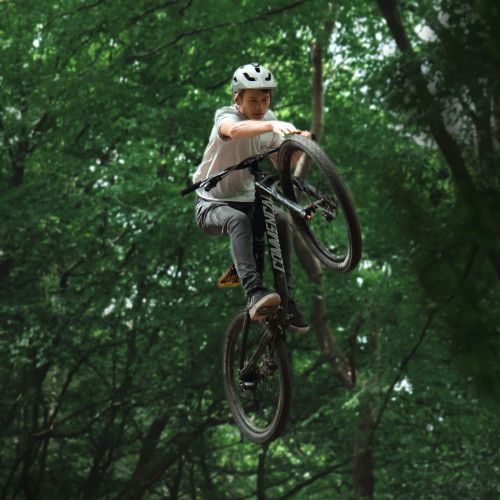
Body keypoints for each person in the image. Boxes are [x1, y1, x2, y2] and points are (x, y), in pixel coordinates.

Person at [193, 62, 310, 333]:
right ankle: (254, 291)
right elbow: (233, 132)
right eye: (253, 100)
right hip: (212, 205)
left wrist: (301, 145)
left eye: (265, 100)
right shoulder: (227, 117)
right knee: (237, 222)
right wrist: (271, 123)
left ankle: (287, 299)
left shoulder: (267, 123)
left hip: (249, 204)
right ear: (238, 99)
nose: (260, 107)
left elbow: (283, 162)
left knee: (280, 220)